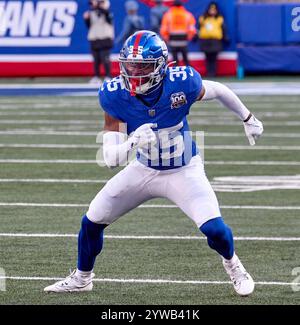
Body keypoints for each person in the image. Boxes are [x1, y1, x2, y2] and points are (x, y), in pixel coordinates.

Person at [44, 30, 263, 296]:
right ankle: (82, 278)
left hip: (184, 169)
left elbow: (218, 89)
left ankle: (234, 265)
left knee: (215, 230)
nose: (134, 71)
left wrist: (248, 117)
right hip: (143, 169)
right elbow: (111, 159)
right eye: (130, 64)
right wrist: (132, 141)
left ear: (160, 65)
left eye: (143, 65)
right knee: (92, 219)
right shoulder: (114, 95)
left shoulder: (182, 83)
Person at [83, 0, 114, 84]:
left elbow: (108, 18)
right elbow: (89, 26)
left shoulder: (107, 12)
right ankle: (96, 76)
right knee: (96, 59)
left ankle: (108, 76)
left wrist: (98, 5)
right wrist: (86, 19)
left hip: (105, 37)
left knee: (105, 58)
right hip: (94, 38)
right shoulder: (92, 13)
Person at [160, 0, 196, 66]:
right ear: (182, 6)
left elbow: (164, 29)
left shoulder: (168, 15)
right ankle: (188, 73)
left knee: (175, 60)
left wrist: (167, 38)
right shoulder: (187, 15)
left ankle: (175, 74)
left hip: (172, 40)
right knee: (185, 59)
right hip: (184, 40)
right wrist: (188, 37)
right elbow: (192, 29)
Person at [199, 2, 228, 77]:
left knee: (213, 58)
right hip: (205, 41)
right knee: (207, 58)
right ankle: (208, 72)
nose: (212, 11)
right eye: (211, 9)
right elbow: (199, 28)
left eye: (214, 9)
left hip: (215, 41)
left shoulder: (219, 19)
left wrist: (225, 38)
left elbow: (223, 29)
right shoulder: (203, 18)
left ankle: (213, 73)